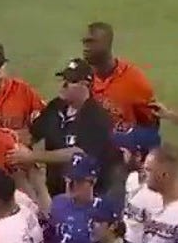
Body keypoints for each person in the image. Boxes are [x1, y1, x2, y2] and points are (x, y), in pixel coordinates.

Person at [13, 58, 118, 196]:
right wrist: (12, 142)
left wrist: (32, 156)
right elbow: (32, 135)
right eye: (63, 79)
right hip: (53, 192)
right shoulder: (55, 107)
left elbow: (77, 153)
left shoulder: (98, 118)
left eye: (70, 81)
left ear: (85, 84)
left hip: (86, 198)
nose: (63, 85)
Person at [81, 21, 158, 128]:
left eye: (91, 42)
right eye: (84, 42)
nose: (86, 47)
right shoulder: (80, 78)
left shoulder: (134, 79)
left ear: (107, 44)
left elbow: (151, 126)